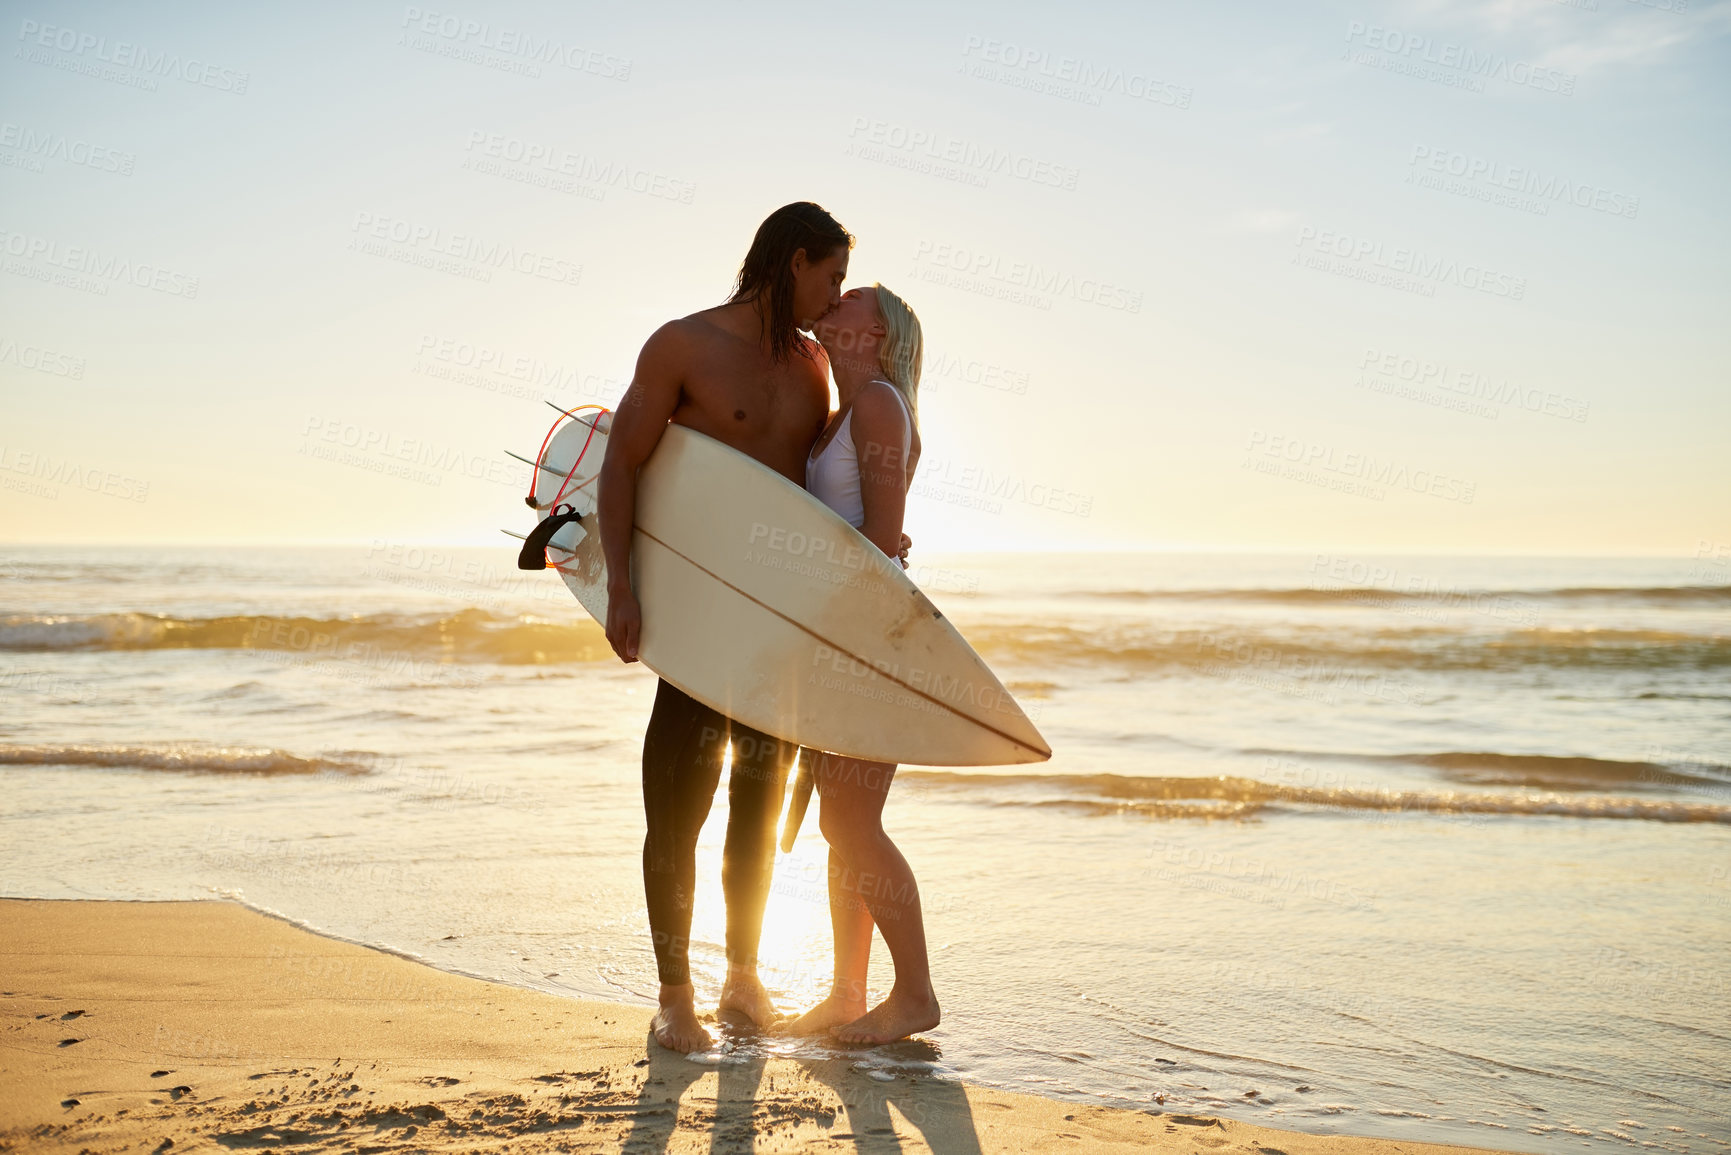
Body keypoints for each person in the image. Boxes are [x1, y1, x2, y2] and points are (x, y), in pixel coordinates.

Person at [597, 203, 907, 1053]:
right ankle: (674, 998)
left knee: (759, 805)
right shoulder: (683, 345)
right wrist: (622, 586)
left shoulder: (815, 369)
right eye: (832, 276)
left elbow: (818, 496)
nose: (834, 296)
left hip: (777, 628)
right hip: (698, 618)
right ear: (794, 260)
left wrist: (880, 539)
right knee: (677, 806)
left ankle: (741, 976)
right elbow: (619, 464)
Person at [780, 282, 940, 1045]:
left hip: (870, 635)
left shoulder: (878, 403)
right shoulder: (842, 411)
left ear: (873, 331)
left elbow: (880, 541)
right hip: (833, 634)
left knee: (851, 820)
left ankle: (914, 995)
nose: (831, 300)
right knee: (839, 822)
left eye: (848, 299)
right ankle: (849, 992)